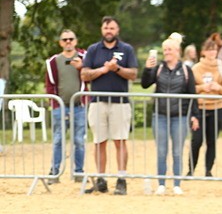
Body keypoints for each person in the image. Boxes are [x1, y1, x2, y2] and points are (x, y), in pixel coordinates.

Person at [80, 16, 139, 195]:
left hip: (120, 103)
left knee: (120, 141)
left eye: (112, 28)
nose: (109, 31)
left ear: (117, 30)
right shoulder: (93, 50)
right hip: (97, 102)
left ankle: (121, 179)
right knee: (99, 141)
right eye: (106, 28)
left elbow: (133, 74)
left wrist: (117, 69)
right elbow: (84, 74)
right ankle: (101, 179)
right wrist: (103, 70)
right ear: (101, 30)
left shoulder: (127, 49)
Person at [141, 36, 195, 195]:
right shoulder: (158, 69)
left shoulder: (186, 70)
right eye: (164, 50)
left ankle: (177, 183)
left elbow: (192, 94)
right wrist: (147, 69)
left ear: (177, 51)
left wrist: (194, 115)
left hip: (180, 116)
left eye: (169, 49)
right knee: (161, 151)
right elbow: (145, 84)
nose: (166, 53)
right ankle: (161, 184)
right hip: (161, 115)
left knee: (178, 151)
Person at [43, 28, 87, 183]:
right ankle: (54, 172)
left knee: (79, 140)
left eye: (71, 39)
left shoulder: (84, 57)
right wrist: (54, 104)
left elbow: (89, 76)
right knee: (58, 140)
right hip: (60, 106)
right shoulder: (53, 61)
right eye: (65, 39)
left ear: (76, 41)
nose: (68, 42)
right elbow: (49, 85)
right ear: (60, 42)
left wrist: (81, 67)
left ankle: (79, 172)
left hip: (79, 106)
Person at [188, 38, 222, 177]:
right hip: (200, 108)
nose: (212, 52)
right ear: (203, 52)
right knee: (196, 140)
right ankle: (191, 169)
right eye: (209, 50)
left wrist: (218, 87)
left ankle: (208, 170)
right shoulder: (195, 68)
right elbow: (189, 89)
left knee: (212, 141)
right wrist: (202, 87)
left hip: (217, 107)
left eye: (214, 49)